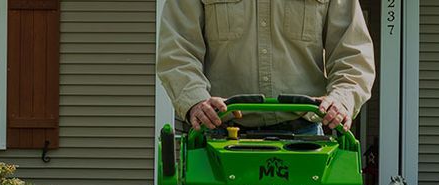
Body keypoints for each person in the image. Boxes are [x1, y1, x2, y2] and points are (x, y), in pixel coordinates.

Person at [156, 0, 376, 133]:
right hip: (219, 132)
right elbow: (177, 50)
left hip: (304, 135)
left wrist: (341, 99)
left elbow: (353, 54)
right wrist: (196, 100)